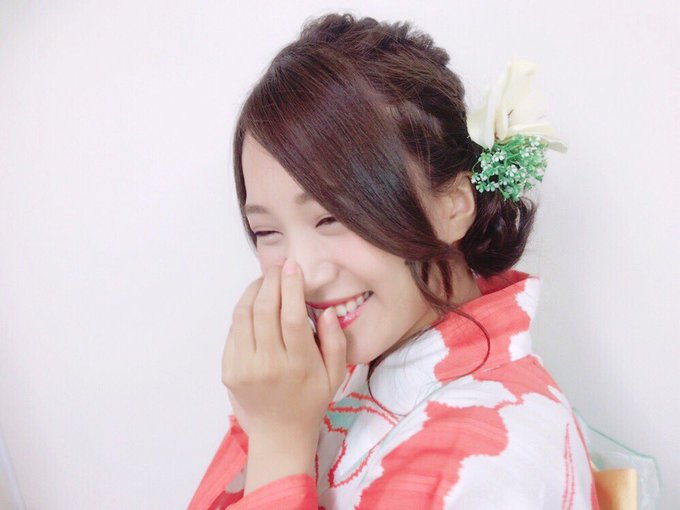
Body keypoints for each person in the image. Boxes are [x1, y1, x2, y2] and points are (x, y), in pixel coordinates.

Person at [188, 12, 599, 509]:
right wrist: (269, 420)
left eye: (332, 217)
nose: (305, 275)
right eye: (267, 232)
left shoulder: (498, 458)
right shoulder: (321, 381)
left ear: (452, 205)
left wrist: (277, 441)